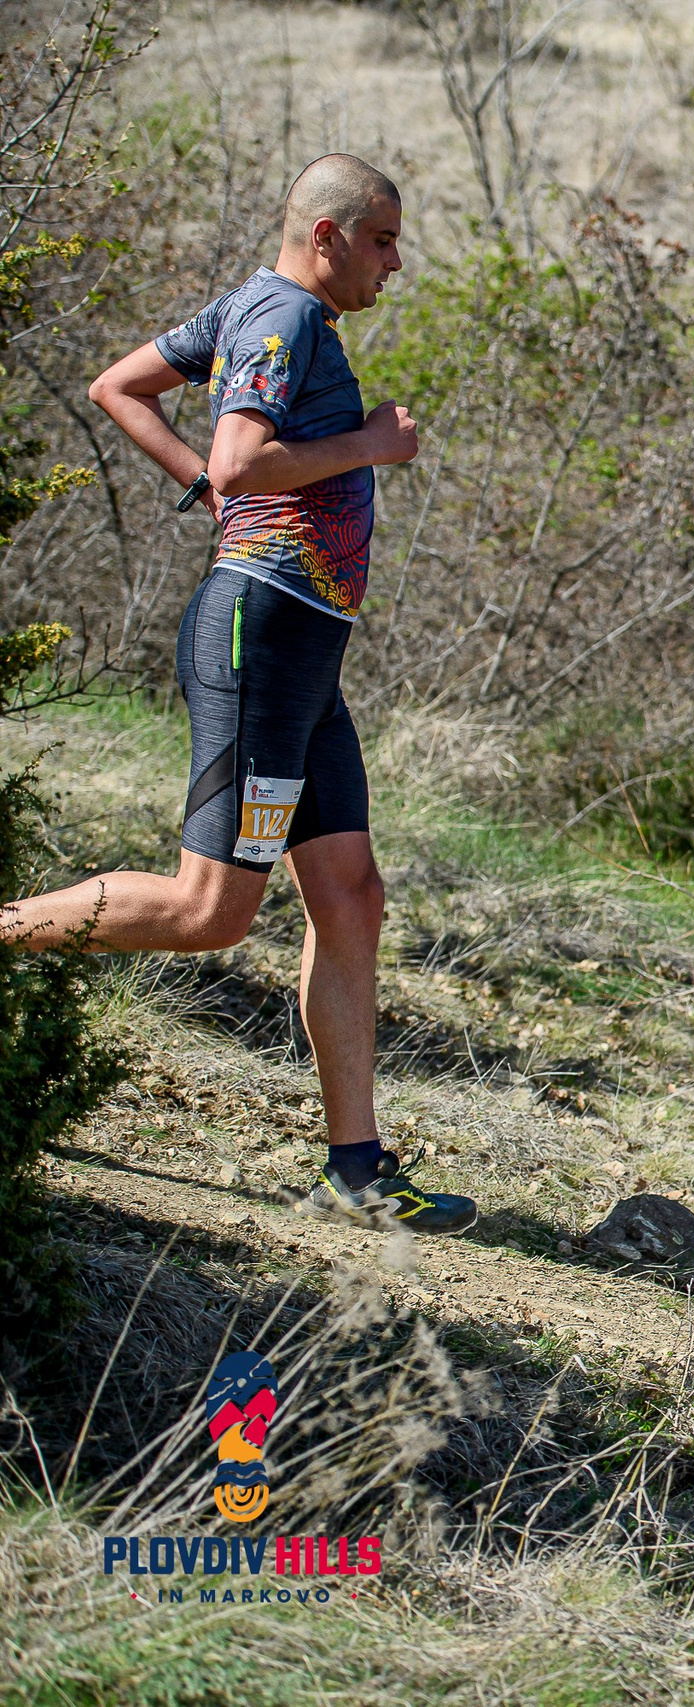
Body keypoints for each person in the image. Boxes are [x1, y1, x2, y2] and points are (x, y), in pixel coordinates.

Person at [0, 155, 474, 1234]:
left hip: (305, 653)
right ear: (328, 234)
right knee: (214, 913)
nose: (397, 261)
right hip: (261, 637)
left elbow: (117, 387)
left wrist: (203, 489)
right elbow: (241, 459)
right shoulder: (286, 319)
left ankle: (356, 1170)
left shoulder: (252, 309)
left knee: (350, 897)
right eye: (386, 239)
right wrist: (366, 446)